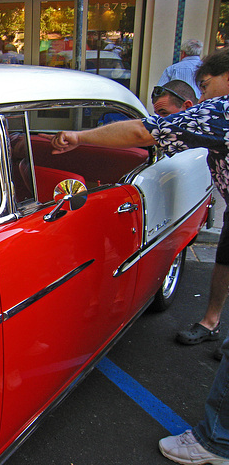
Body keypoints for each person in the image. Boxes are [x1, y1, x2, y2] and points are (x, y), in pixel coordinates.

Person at [49, 47, 229, 465]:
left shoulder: (219, 111)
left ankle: (217, 441)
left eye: (205, 87)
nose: (203, 98)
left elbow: (141, 134)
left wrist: (77, 137)